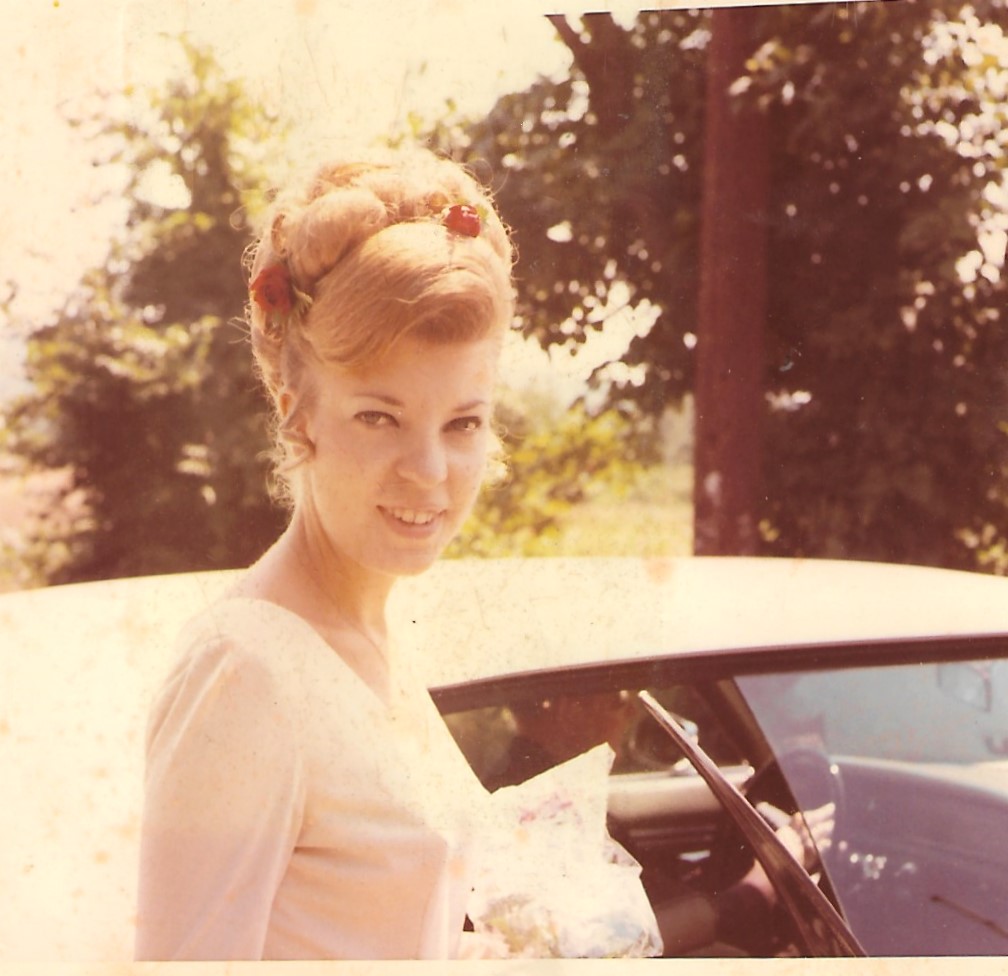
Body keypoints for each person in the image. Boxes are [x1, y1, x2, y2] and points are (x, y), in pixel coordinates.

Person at [135, 148, 516, 961]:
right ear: (295, 410)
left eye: (463, 424)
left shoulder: (371, 635)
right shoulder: (245, 670)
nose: (429, 471)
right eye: (379, 417)